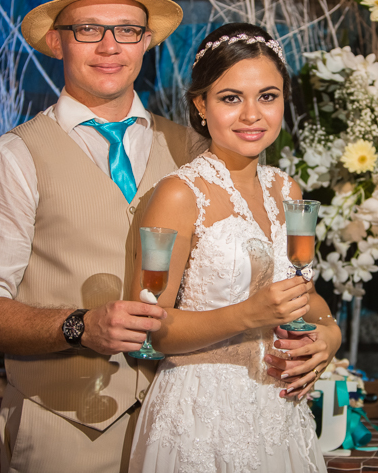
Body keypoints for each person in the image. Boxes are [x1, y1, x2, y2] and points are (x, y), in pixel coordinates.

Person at [0, 0, 308, 473]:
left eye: (127, 30)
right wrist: (77, 326)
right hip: (66, 432)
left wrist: (319, 339)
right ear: (57, 41)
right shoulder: (12, 159)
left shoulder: (197, 150)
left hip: (187, 426)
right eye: (88, 29)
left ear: (147, 41)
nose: (110, 46)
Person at [128, 23, 341, 472]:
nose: (251, 115)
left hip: (280, 410)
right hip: (200, 414)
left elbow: (306, 296)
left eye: (267, 96)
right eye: (230, 98)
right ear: (200, 105)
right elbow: (150, 328)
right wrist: (248, 315)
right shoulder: (179, 194)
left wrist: (328, 336)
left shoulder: (287, 190)